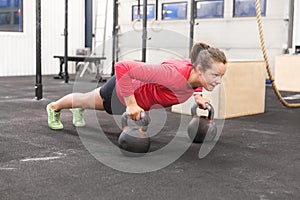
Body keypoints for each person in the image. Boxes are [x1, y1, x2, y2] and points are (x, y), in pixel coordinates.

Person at [46, 42, 227, 130]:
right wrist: (132, 103)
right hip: (119, 93)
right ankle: (54, 108)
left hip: (131, 95)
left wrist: (198, 96)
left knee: (86, 101)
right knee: (85, 100)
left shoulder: (194, 72)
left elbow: (193, 82)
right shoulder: (171, 74)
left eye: (221, 76)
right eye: (215, 75)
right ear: (200, 69)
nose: (218, 81)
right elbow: (122, 67)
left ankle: (78, 108)